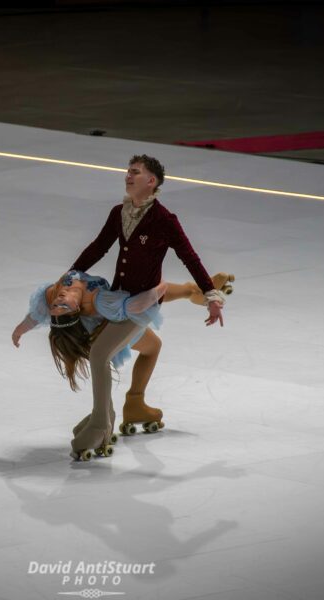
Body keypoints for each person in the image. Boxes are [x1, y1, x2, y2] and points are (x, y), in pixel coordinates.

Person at [66, 154, 228, 459]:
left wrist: (211, 296)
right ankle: (134, 404)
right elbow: (98, 246)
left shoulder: (164, 220)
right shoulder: (119, 212)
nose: (128, 176)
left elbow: (190, 257)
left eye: (135, 173)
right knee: (151, 347)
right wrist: (72, 274)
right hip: (116, 302)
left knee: (99, 353)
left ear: (151, 181)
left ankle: (101, 422)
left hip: (142, 306)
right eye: (127, 172)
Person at [12, 269, 231, 459]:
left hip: (123, 306)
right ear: (77, 311)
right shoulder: (97, 302)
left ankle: (198, 292)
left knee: (154, 347)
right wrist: (158, 289)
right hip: (117, 321)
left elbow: (35, 316)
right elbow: (135, 305)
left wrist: (19, 331)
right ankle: (198, 292)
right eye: (64, 307)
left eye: (56, 307)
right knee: (153, 345)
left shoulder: (49, 295)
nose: (59, 300)